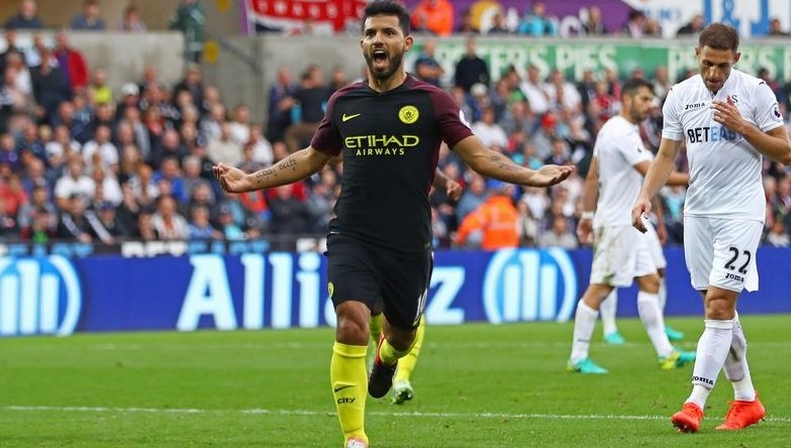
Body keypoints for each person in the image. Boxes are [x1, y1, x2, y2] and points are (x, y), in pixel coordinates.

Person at [212, 2, 573, 447]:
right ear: (362, 43)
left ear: (405, 43)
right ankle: (355, 438)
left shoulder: (433, 101)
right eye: (370, 34)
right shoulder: (344, 103)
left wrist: (531, 175)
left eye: (386, 33)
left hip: (408, 244)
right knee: (350, 323)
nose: (377, 40)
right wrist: (251, 180)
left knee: (401, 337)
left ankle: (387, 359)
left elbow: (479, 156)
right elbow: (310, 158)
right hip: (352, 235)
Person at [631, 23, 791, 433]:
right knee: (718, 310)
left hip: (742, 211)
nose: (713, 73)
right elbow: (667, 155)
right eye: (707, 64)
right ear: (696, 55)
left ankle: (695, 402)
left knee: (719, 305)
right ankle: (746, 400)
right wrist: (645, 194)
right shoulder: (681, 96)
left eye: (721, 65)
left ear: (736, 59)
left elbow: (785, 151)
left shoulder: (755, 92)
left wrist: (744, 127)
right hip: (699, 213)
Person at [567, 78, 694, 375]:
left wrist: (586, 217)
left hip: (628, 221)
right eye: (646, 99)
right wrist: (698, 176)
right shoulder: (622, 133)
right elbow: (653, 174)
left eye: (652, 100)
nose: (651, 105)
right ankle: (577, 356)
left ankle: (666, 353)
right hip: (617, 224)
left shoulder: (610, 129)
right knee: (600, 287)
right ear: (627, 99)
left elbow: (592, 176)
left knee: (650, 282)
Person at [368, 168, 463, 405]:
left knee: (410, 313)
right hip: (367, 232)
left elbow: (427, 165)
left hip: (411, 237)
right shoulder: (363, 136)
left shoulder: (416, 139)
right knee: (372, 306)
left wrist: (446, 181)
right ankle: (381, 355)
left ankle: (401, 377)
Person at [598, 193, 686, 344]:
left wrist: (661, 224)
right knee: (612, 274)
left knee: (659, 270)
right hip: (618, 217)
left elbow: (654, 188)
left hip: (642, 217)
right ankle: (609, 328)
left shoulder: (646, 170)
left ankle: (660, 324)